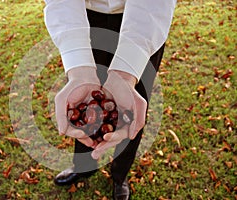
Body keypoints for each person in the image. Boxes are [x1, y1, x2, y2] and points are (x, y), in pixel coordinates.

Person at [43, 1, 176, 199]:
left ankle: (119, 175)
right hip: (85, 16)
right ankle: (84, 166)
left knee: (132, 107)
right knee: (84, 98)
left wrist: (126, 73)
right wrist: (79, 67)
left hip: (144, 21)